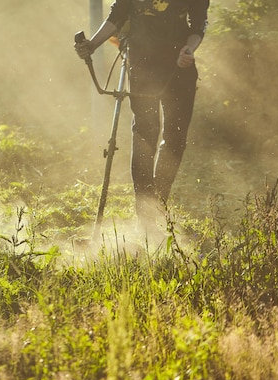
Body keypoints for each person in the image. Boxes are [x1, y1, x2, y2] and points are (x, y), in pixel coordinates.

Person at [75, 0, 209, 237]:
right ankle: (145, 216)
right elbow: (118, 16)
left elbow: (198, 25)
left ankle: (157, 205)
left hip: (179, 66)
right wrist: (92, 44)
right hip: (142, 63)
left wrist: (188, 50)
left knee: (175, 138)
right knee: (145, 132)